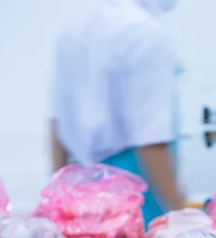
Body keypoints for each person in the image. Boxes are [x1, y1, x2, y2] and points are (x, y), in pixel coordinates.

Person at [50, 0, 184, 225]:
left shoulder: (75, 27)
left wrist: (59, 199)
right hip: (138, 198)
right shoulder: (145, 34)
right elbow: (151, 141)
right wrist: (183, 216)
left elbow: (56, 121)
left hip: (81, 195)